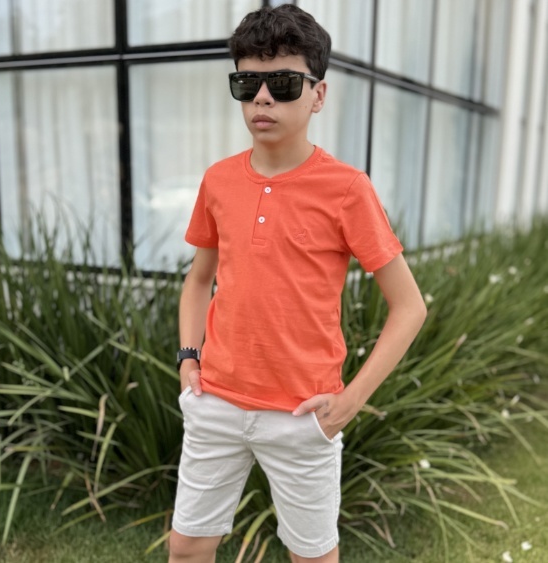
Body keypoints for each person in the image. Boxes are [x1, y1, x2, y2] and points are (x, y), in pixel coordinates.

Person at [168, 4, 427, 562]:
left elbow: (409, 307)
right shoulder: (218, 180)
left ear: (318, 94)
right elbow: (198, 280)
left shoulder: (347, 189)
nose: (262, 98)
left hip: (303, 415)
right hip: (215, 401)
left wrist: (350, 402)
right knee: (186, 547)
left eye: (282, 84)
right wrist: (189, 360)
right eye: (247, 84)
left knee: (312, 556)